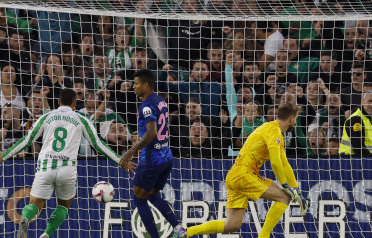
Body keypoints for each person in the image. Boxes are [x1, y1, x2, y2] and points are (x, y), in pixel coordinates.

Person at [0, 89, 136, 238]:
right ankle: (46, 234)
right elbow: (98, 144)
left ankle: (25, 218)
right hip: (67, 168)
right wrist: (119, 160)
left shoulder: (46, 116)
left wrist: (4, 156)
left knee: (34, 205)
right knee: (63, 205)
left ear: (58, 102)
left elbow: (27, 140)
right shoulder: (81, 119)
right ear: (75, 104)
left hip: (46, 165)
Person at [185, 103, 308, 238]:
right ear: (291, 119)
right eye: (295, 119)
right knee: (284, 197)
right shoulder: (273, 130)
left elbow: (285, 165)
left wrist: (296, 189)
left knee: (231, 225)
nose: (295, 123)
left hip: (235, 176)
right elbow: (275, 163)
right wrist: (285, 184)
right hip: (244, 174)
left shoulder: (270, 130)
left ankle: (186, 233)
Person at [119, 69, 187, 238]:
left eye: (136, 84)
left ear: (146, 84)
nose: (133, 87)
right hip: (166, 156)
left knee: (139, 199)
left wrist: (130, 152)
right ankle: (178, 228)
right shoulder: (160, 101)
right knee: (153, 196)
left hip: (152, 160)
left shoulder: (147, 106)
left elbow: (151, 133)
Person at [339, 90, 372, 156]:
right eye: (370, 101)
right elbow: (358, 147)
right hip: (351, 161)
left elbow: (369, 146)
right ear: (362, 101)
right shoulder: (356, 119)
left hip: (362, 160)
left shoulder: (368, 119)